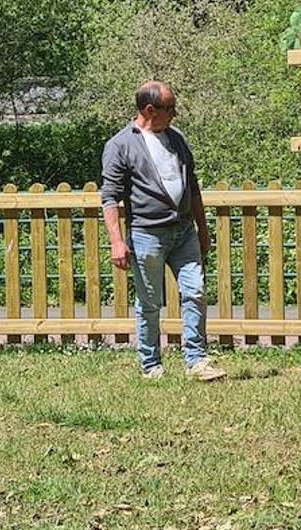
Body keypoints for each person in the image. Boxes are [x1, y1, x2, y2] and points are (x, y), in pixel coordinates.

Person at [100, 81, 226, 381]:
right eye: (170, 109)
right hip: (147, 235)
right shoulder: (120, 145)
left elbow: (192, 187)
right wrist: (117, 242)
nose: (175, 114)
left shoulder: (176, 138)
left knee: (195, 293)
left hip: (184, 232)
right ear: (150, 110)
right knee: (150, 304)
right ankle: (151, 366)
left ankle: (197, 361)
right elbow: (110, 198)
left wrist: (203, 229)